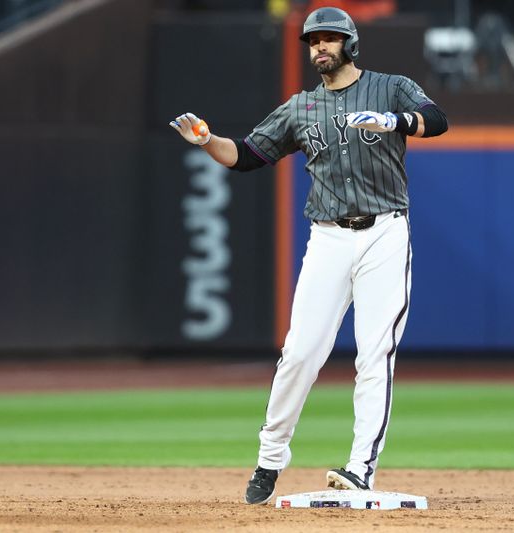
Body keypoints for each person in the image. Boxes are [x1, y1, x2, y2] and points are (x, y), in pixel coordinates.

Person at [169, 5, 448, 505]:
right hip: (328, 238)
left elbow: (436, 119)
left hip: (385, 232)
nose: (319, 47)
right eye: (313, 40)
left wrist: (396, 121)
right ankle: (270, 458)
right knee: (300, 353)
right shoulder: (301, 108)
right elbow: (249, 156)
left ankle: (361, 467)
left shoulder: (390, 87)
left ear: (350, 43)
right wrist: (208, 141)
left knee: (375, 353)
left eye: (329, 38)